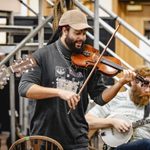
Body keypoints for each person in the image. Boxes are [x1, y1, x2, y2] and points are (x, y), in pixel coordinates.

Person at [18, 9, 136, 150]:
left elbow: (99, 98)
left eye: (84, 33)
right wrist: (59, 92)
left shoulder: (90, 59)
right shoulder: (41, 55)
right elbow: (24, 88)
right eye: (77, 33)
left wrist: (121, 83)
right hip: (45, 137)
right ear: (65, 30)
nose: (82, 37)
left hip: (77, 138)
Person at [86, 66, 150, 150]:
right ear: (133, 81)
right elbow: (87, 121)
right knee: (146, 143)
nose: (148, 90)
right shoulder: (115, 99)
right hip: (118, 147)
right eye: (145, 84)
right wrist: (112, 122)